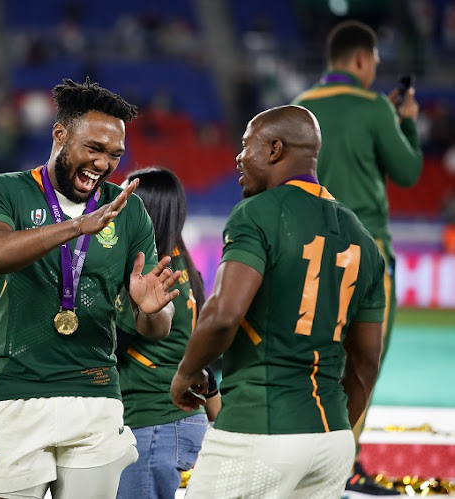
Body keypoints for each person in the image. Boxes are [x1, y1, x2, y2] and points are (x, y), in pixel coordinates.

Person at [0, 77, 182, 499]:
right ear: (60, 134)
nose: (103, 164)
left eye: (114, 155)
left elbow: (157, 328)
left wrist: (152, 310)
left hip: (95, 396)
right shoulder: (1, 191)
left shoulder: (128, 208)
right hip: (16, 392)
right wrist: (77, 226)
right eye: (94, 149)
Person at [170, 105, 387, 498]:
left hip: (259, 427)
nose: (238, 157)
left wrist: (186, 373)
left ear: (273, 150)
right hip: (332, 438)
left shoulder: (256, 215)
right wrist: (334, 430)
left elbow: (222, 315)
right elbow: (366, 362)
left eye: (244, 145)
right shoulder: (364, 240)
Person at [292, 20, 423, 495]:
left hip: (310, 254)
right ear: (364, 60)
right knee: (364, 359)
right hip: (367, 255)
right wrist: (402, 119)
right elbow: (408, 171)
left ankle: (306, 451)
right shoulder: (375, 108)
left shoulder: (301, 105)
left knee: (312, 356)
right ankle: (343, 462)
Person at [114, 167, 221, 499]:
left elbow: (108, 347)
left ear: (145, 211)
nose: (114, 209)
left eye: (124, 202)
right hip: (176, 420)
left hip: (152, 423)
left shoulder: (149, 276)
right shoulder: (180, 264)